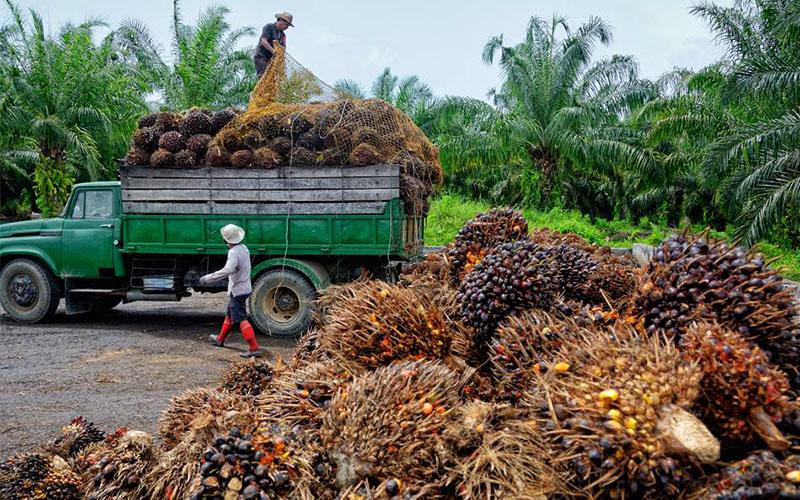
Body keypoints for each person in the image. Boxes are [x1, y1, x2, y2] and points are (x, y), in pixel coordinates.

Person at [199, 224, 264, 358]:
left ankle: (254, 348)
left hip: (238, 290)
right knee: (229, 314)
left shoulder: (233, 252)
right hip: (244, 287)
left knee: (241, 319)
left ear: (226, 241)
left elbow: (227, 270)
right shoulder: (244, 249)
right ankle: (220, 340)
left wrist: (209, 278)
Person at [254, 12, 294, 76]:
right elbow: (263, 41)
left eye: (288, 26)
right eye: (287, 25)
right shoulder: (269, 27)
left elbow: (283, 48)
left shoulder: (283, 35)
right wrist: (273, 50)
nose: (287, 27)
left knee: (272, 79)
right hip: (261, 56)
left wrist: (280, 54)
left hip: (271, 60)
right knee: (264, 77)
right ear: (281, 21)